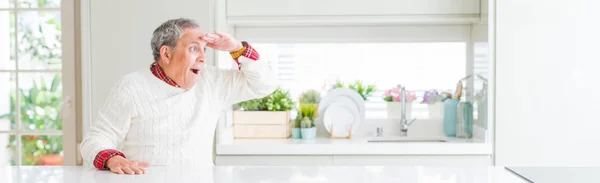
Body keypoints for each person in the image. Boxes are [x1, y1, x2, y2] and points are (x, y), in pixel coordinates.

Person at [79, 18, 277, 175]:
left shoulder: (212, 81)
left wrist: (237, 49)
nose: (202, 57)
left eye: (204, 50)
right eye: (193, 48)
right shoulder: (132, 86)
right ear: (166, 54)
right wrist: (113, 159)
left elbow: (264, 85)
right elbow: (96, 139)